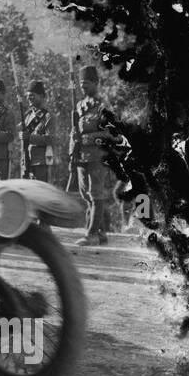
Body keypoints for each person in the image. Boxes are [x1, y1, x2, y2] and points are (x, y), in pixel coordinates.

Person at [70, 65, 114, 246]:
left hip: (97, 156)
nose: (83, 87)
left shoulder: (103, 106)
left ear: (96, 83)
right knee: (86, 195)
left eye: (87, 83)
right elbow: (73, 132)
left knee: (96, 194)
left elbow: (112, 134)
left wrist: (90, 137)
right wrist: (71, 152)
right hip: (81, 157)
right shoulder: (79, 106)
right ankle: (101, 232)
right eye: (81, 84)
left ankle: (92, 234)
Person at [22, 80, 54, 182]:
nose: (29, 98)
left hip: (42, 162)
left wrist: (30, 137)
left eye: (32, 95)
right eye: (27, 95)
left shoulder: (48, 116)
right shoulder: (28, 116)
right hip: (28, 161)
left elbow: (50, 139)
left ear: (41, 96)